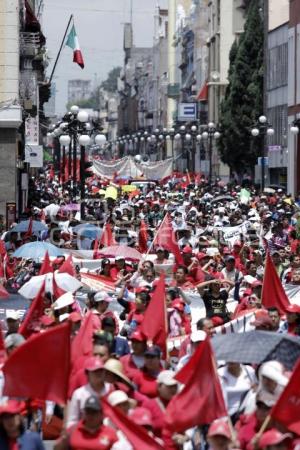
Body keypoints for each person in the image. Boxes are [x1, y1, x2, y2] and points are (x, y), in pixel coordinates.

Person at [67, 357, 111, 428]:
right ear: (87, 373)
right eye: (95, 371)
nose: (98, 373)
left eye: (100, 370)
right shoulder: (79, 394)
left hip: (108, 433)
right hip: (86, 433)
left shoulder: (111, 389)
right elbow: (72, 420)